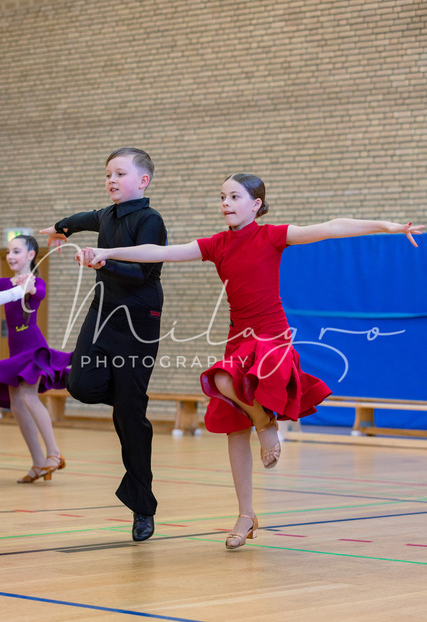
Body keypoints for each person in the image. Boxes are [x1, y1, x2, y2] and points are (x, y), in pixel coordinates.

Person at [81, 172, 424, 550]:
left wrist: (387, 226)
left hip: (271, 336)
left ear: (256, 204)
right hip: (238, 338)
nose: (225, 203)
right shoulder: (217, 244)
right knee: (234, 425)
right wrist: (108, 253)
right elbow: (161, 252)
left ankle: (265, 423)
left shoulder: (272, 236)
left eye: (234, 197)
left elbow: (331, 227)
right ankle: (246, 514)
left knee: (222, 380)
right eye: (222, 197)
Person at [40, 147, 167, 542]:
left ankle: (142, 508)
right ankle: (130, 398)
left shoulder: (150, 220)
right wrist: (61, 227)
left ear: (142, 181)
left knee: (130, 417)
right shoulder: (106, 215)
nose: (111, 179)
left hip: (138, 318)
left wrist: (103, 262)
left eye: (120, 174)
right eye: (108, 174)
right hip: (103, 312)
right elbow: (85, 218)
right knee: (80, 384)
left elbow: (142, 272)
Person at [0, 235, 72, 483]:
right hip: (15, 350)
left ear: (31, 255)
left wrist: (28, 287)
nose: (10, 256)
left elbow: (37, 292)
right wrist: (16, 286)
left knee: (28, 397)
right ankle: (39, 462)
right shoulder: (4, 283)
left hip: (33, 348)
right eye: (8, 252)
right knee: (17, 405)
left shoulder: (37, 281)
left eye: (16, 251)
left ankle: (54, 453)